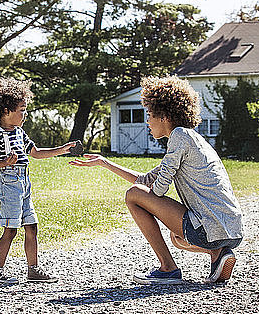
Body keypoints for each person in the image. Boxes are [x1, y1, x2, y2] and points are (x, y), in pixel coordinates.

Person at [70, 76, 243, 284]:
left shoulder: (179, 136)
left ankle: (168, 268)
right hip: (232, 230)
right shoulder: (192, 140)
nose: (147, 121)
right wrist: (105, 163)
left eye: (150, 114)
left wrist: (147, 195)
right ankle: (219, 255)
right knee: (176, 238)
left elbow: (157, 189)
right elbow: (145, 180)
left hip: (209, 228)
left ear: (165, 116)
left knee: (133, 195)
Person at [0, 78, 78, 285]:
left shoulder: (19, 133)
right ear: (6, 110)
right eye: (22, 110)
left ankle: (33, 270)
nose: (25, 115)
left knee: (31, 226)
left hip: (23, 183)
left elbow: (35, 153)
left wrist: (62, 149)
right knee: (11, 229)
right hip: (7, 184)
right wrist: (4, 162)